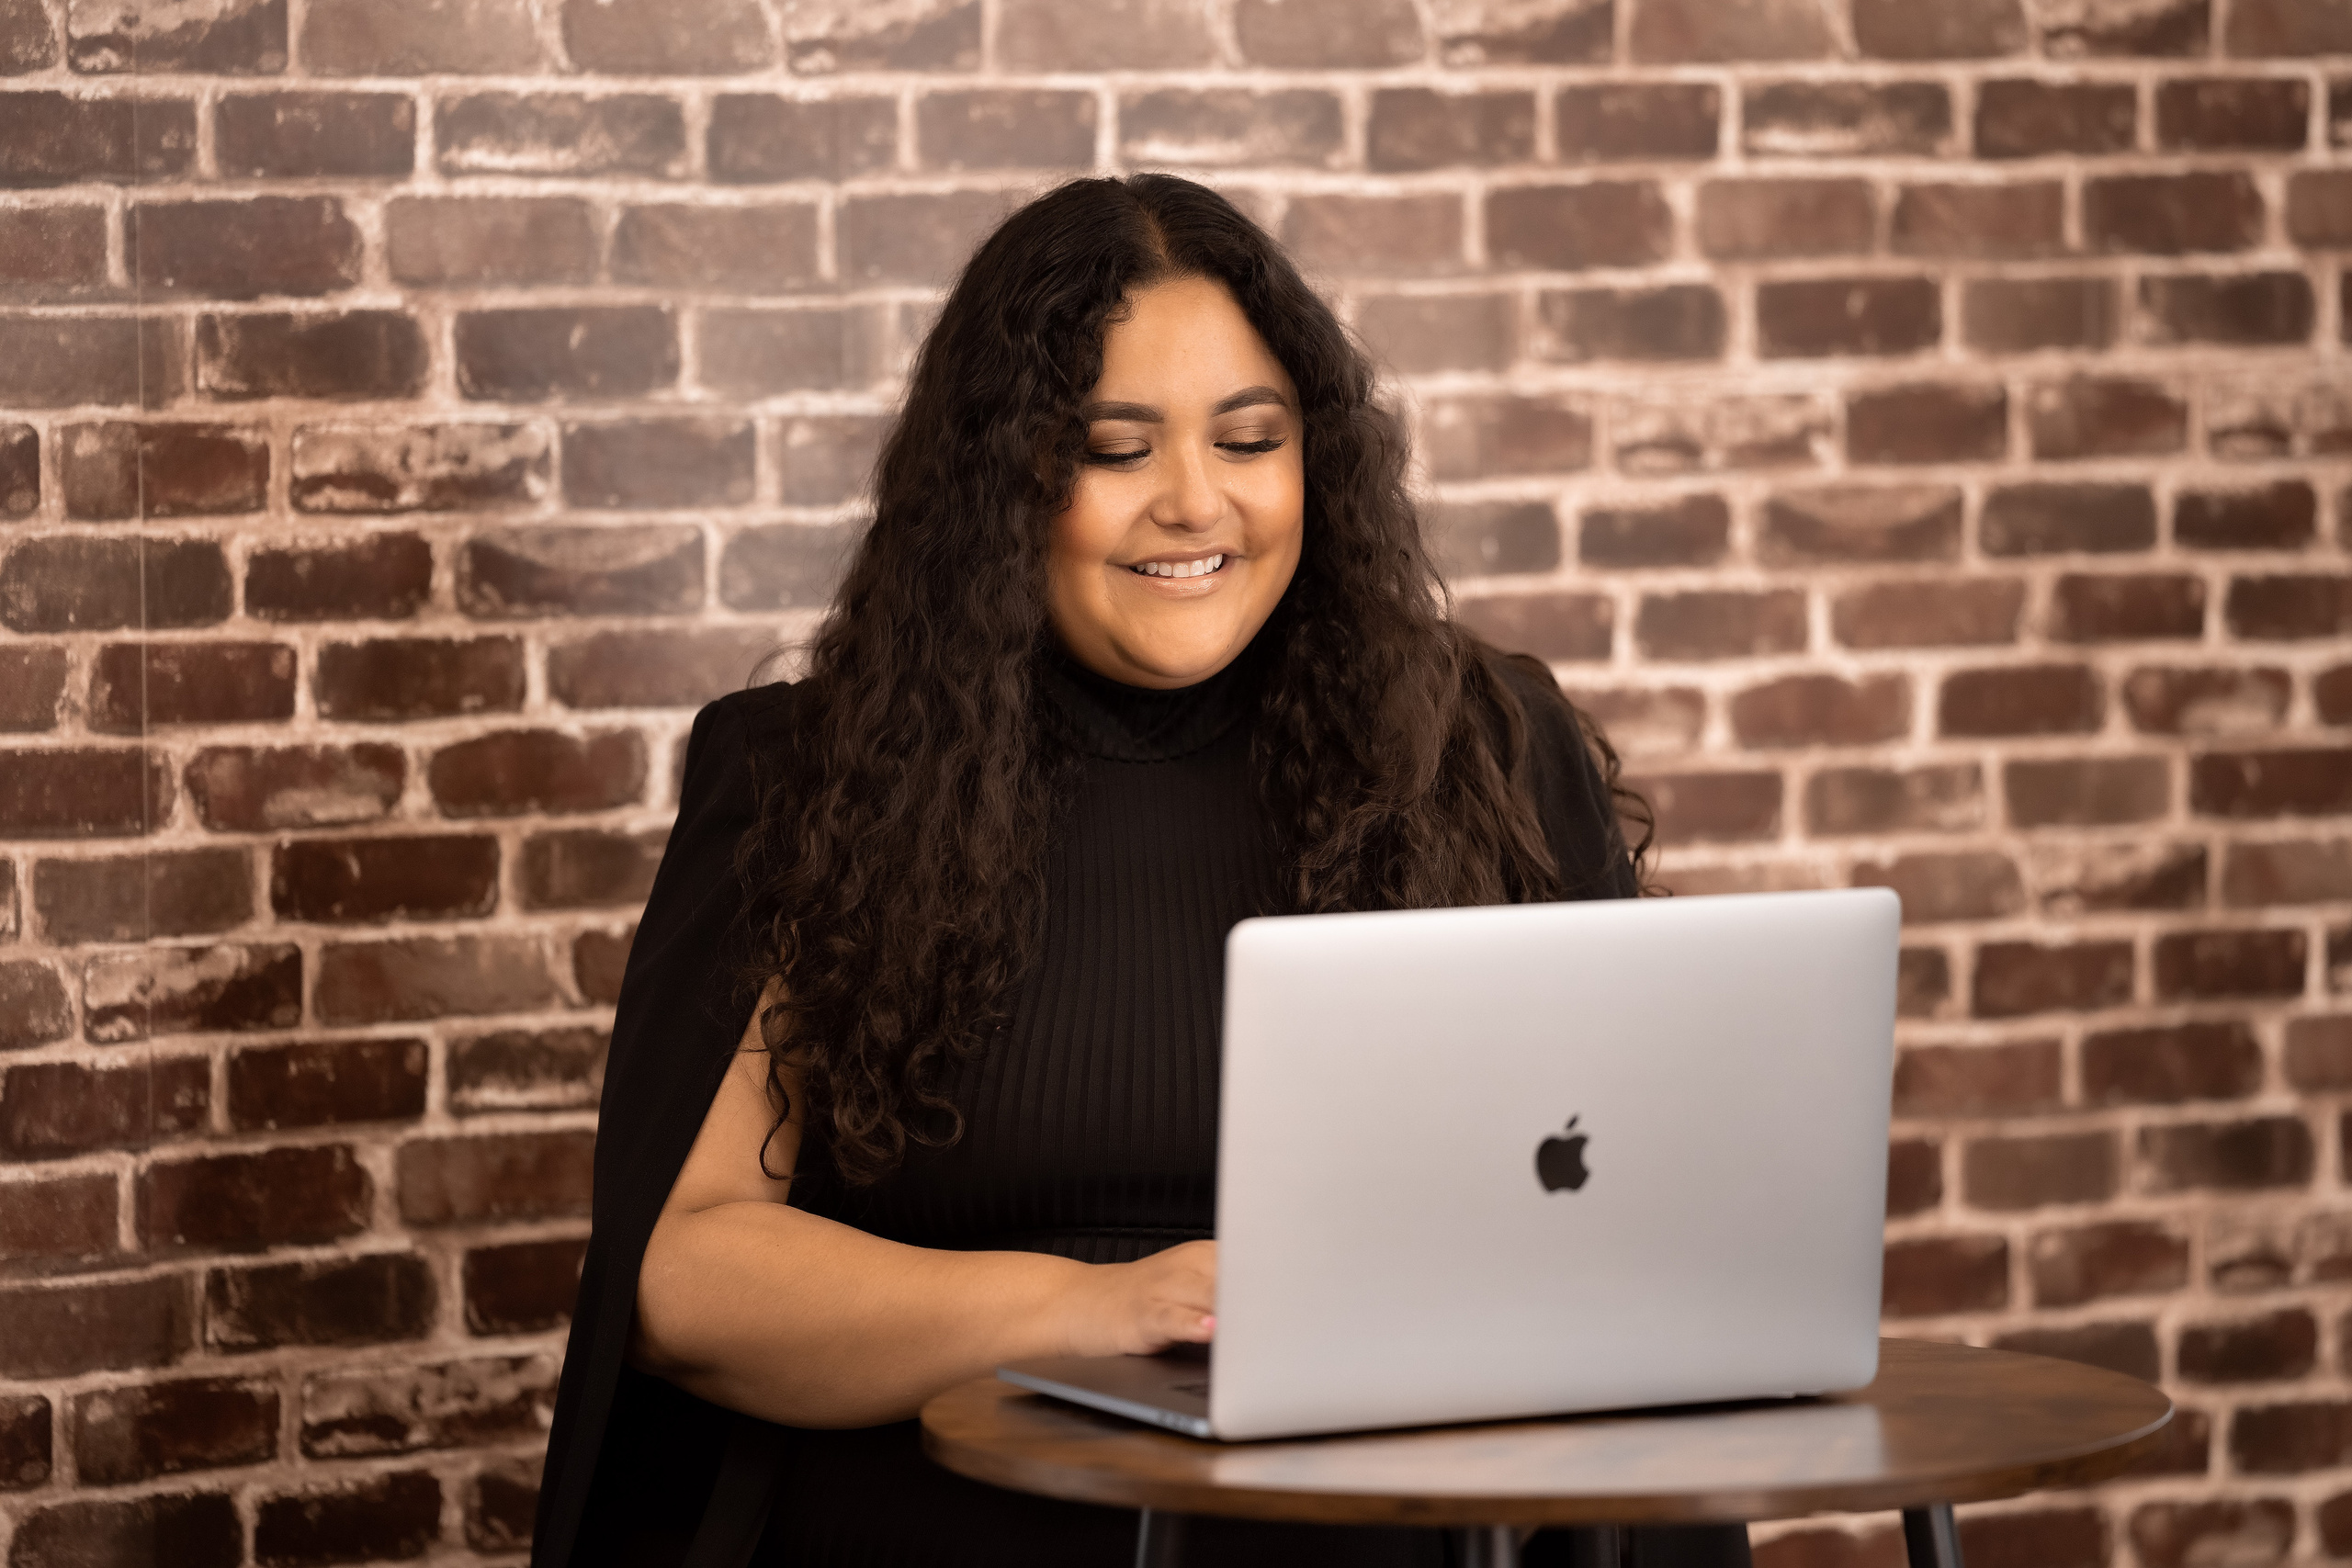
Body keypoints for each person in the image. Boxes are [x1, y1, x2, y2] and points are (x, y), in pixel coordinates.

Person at [533, 173, 1740, 1568]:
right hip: (955, 1526)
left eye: (1250, 439)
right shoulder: (818, 774)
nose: (1195, 503)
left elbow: (1625, 1215)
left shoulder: (1482, 747)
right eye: (1114, 450)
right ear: (1003, 487)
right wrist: (1094, 1309)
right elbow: (689, 1281)